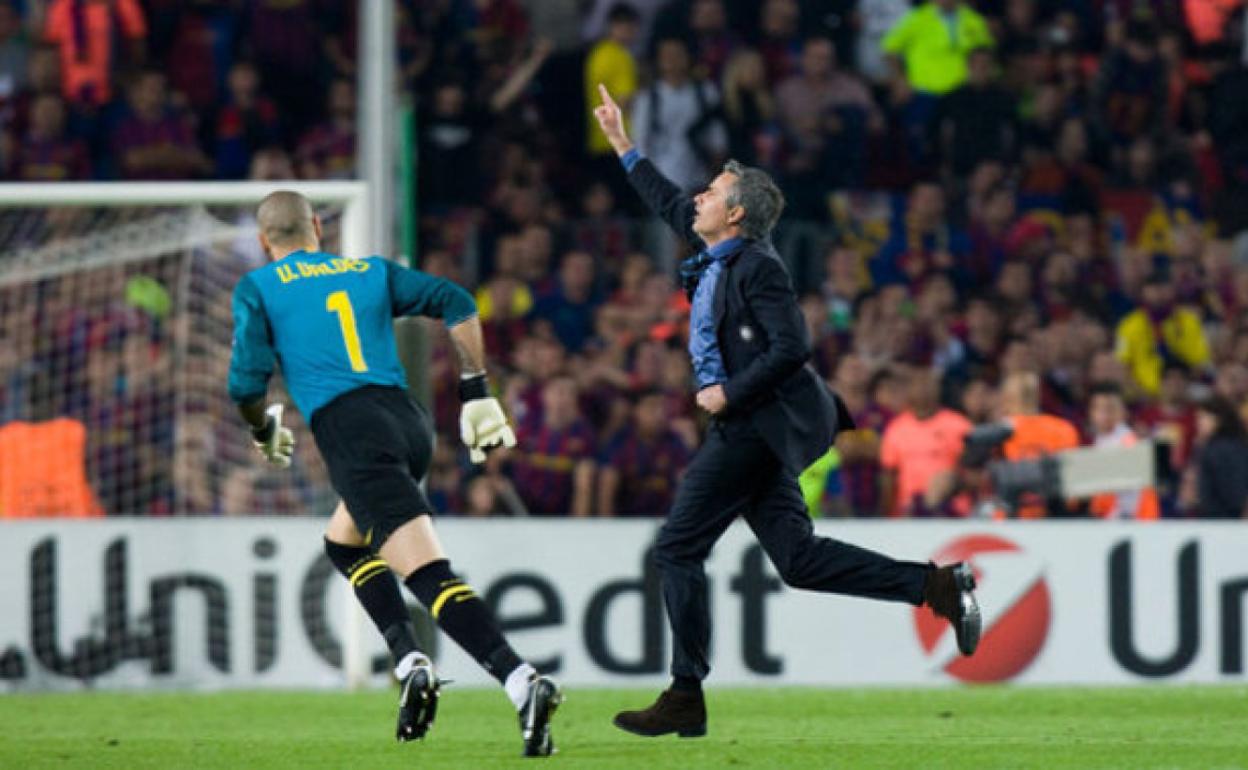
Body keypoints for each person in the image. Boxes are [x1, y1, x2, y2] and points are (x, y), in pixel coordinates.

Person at [592, 84, 982, 738]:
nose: (698, 198)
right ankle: (940, 587)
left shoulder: (758, 268)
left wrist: (729, 393)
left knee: (677, 548)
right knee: (797, 561)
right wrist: (624, 145)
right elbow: (668, 204)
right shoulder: (716, 255)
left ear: (737, 215)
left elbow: (792, 346)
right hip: (761, 432)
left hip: (753, 425)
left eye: (712, 192)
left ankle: (685, 693)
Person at [227, 191, 561, 756]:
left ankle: (520, 680)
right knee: (345, 544)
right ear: (316, 226)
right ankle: (409, 661)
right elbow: (456, 300)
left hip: (352, 432)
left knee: (427, 573)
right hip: (407, 424)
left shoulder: (258, 287)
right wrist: (476, 388)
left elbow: (245, 383)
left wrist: (264, 431)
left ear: (265, 242)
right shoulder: (368, 271)